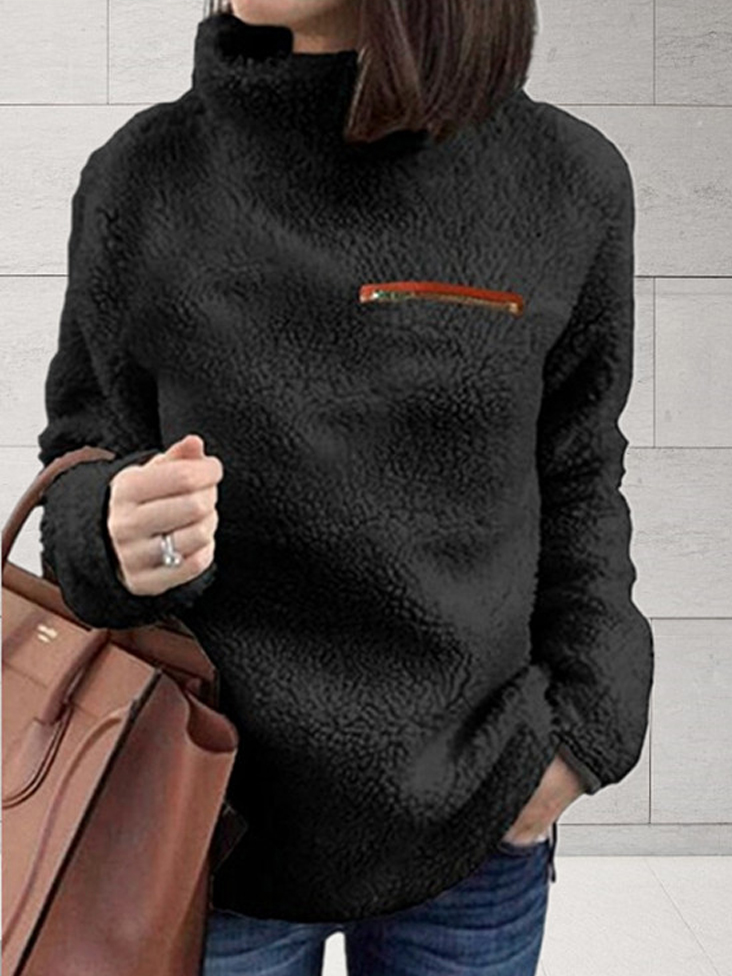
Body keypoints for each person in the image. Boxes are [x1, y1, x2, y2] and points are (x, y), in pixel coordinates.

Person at [36, 0, 655, 972]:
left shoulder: (566, 180)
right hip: (206, 824)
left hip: (475, 821)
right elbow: (82, 453)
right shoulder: (143, 176)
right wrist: (111, 531)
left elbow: (579, 475)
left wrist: (582, 730)